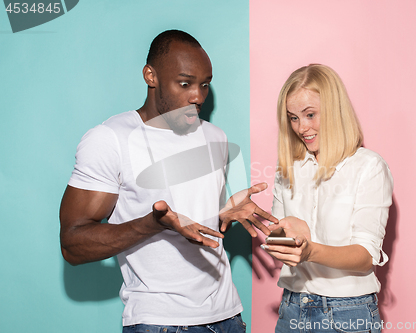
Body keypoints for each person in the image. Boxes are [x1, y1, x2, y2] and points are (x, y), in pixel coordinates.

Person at [59, 29, 277, 333]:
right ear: (151, 76)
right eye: (185, 83)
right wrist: (151, 224)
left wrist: (222, 213)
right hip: (160, 322)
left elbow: (193, 220)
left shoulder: (216, 137)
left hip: (228, 316)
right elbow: (72, 244)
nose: (197, 96)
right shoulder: (111, 139)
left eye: (204, 85)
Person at [262, 64, 393, 333]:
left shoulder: (368, 167)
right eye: (293, 118)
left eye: (310, 114)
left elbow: (366, 255)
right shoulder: (288, 167)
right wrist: (264, 225)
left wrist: (309, 250)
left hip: (348, 311)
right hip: (292, 307)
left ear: (334, 110)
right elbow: (283, 246)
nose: (301, 127)